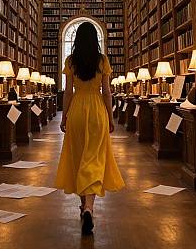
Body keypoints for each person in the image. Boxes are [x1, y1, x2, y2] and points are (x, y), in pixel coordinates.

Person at [55, 22, 125, 235]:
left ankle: (83, 204)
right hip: (96, 110)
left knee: (78, 157)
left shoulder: (71, 61)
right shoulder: (102, 61)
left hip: (77, 109)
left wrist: (64, 117)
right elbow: (107, 92)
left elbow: (67, 93)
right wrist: (111, 118)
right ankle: (89, 208)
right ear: (96, 39)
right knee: (93, 159)